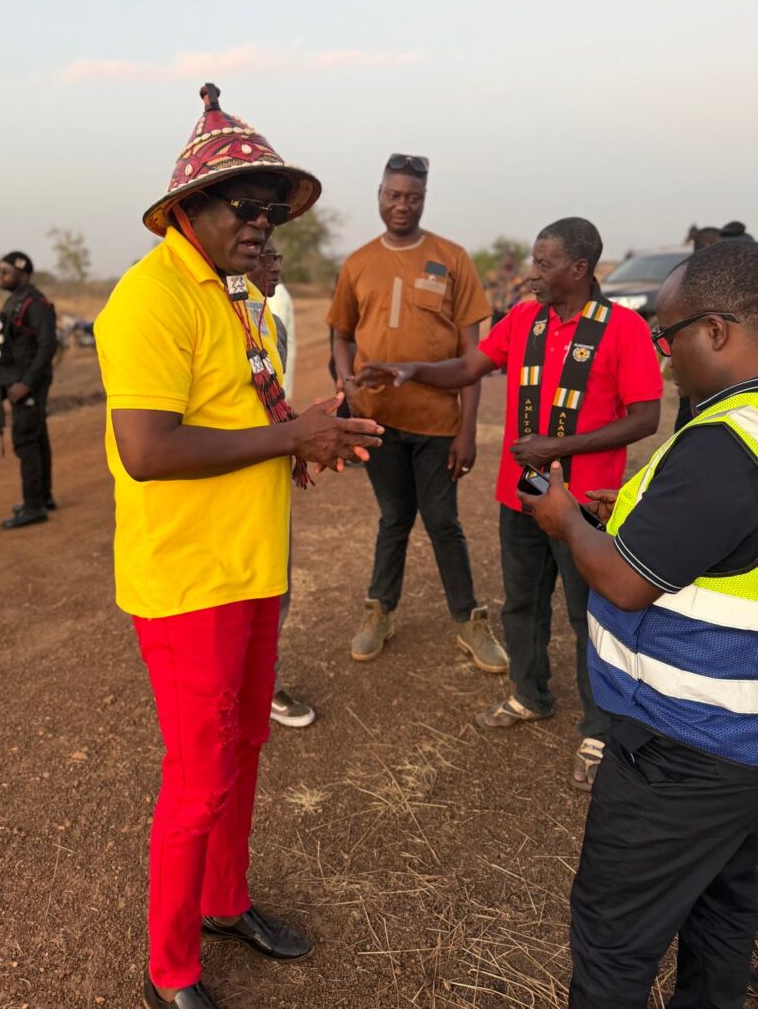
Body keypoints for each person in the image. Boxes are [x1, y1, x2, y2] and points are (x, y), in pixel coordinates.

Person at [93, 84, 382, 1009]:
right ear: (186, 210)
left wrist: (308, 432)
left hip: (252, 565)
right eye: (242, 206)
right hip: (187, 582)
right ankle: (170, 968)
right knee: (199, 772)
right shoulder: (149, 299)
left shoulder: (239, 296)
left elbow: (247, 417)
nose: (261, 223)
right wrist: (289, 436)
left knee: (246, 745)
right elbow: (147, 449)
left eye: (273, 208)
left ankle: (225, 901)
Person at [519, 238, 758, 1009]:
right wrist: (608, 516)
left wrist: (563, 518)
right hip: (743, 750)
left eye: (670, 333)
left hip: (683, 747)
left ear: (717, 331)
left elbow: (624, 583)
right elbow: (707, 544)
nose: (662, 354)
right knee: (726, 919)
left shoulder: (724, 443)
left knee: (612, 938)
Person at [357, 217, 663, 788]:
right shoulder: (524, 319)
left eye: (544, 264)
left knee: (589, 615)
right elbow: (469, 367)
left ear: (578, 269)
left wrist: (560, 446)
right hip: (519, 497)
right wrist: (412, 370)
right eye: (533, 260)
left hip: (584, 505)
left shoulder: (621, 328)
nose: (532, 274)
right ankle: (530, 693)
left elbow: (646, 417)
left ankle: (599, 730)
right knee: (521, 604)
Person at [327, 154, 506, 671]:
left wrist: (467, 432)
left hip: (437, 423)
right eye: (394, 195)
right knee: (394, 517)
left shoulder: (452, 258)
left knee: (443, 521)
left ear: (424, 200)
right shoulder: (358, 262)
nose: (402, 205)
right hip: (380, 420)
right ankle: (379, 610)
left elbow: (474, 360)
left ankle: (470, 621)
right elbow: (340, 331)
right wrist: (347, 384)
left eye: (413, 197)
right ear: (379, 194)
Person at [247, 241, 315, 728]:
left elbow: (276, 401)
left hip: (268, 476)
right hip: (229, 483)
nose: (275, 268)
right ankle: (243, 685)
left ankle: (262, 683)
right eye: (265, 257)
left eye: (278, 259)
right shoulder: (215, 320)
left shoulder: (273, 324)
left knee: (277, 584)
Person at [0, 252, 57, 529]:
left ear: (23, 272)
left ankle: (34, 507)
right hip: (15, 379)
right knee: (37, 436)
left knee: (26, 440)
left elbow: (47, 346)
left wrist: (26, 383)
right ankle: (42, 497)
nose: (1, 276)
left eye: (6, 271)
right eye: (0, 271)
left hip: (27, 383)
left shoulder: (35, 303)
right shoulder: (16, 300)